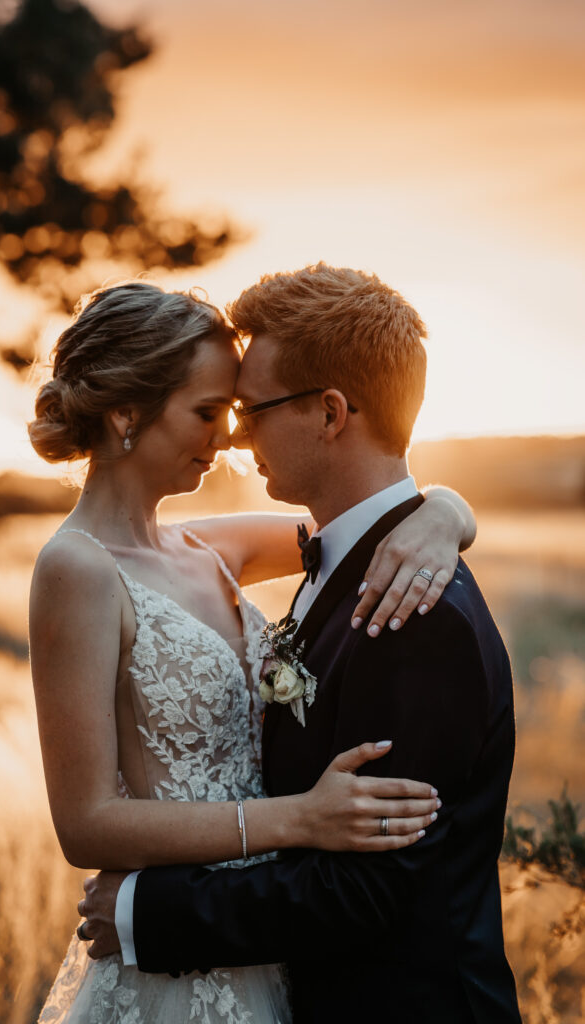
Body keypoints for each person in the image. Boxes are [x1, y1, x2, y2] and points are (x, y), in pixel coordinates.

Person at [79, 266, 522, 1024]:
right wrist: (447, 507)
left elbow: (371, 889)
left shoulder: (414, 613)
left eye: (252, 408)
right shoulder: (348, 559)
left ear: (329, 412)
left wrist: (147, 913)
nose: (234, 435)